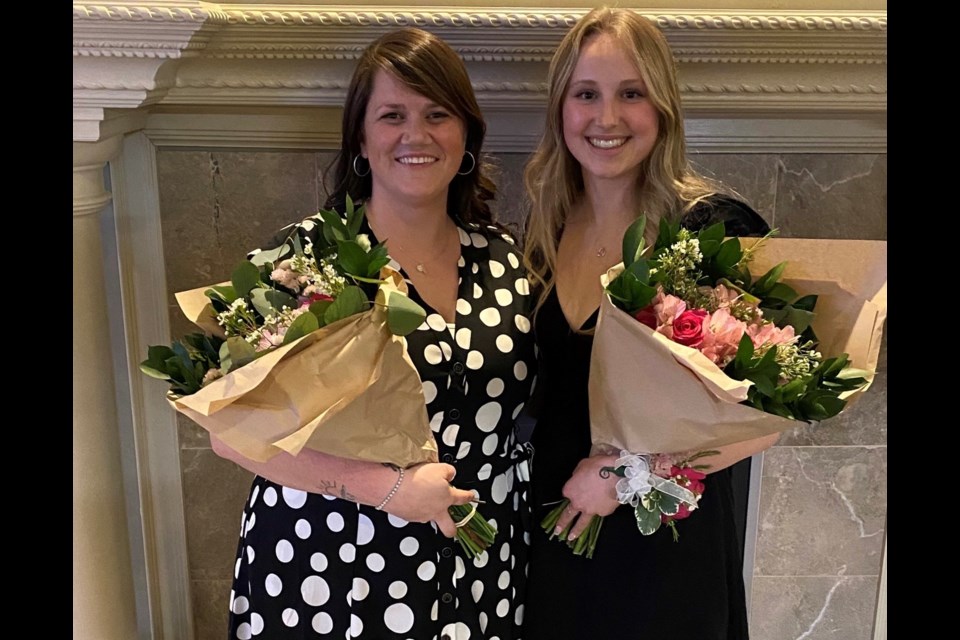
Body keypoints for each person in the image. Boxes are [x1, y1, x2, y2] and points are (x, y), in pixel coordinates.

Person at [210, 27, 536, 639]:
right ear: (361, 138)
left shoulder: (506, 258)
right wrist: (389, 490)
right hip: (331, 558)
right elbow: (231, 435)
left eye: (437, 114)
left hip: (480, 557)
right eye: (392, 115)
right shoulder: (303, 262)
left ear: (465, 133)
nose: (416, 135)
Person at [520, 8, 779, 639]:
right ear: (561, 110)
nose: (606, 118)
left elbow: (769, 418)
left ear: (661, 108)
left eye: (630, 94)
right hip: (552, 537)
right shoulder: (542, 235)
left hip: (666, 545)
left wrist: (625, 473)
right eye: (587, 94)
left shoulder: (714, 230)